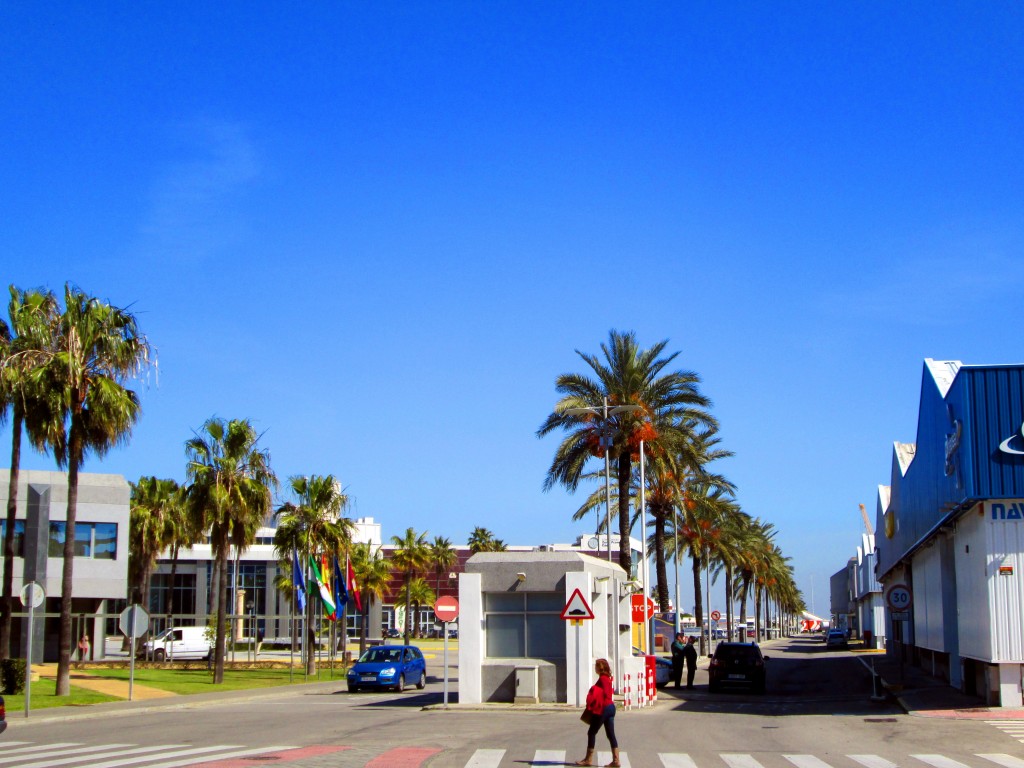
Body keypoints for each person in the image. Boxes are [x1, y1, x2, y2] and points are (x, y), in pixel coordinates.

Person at [575, 657, 620, 767]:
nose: (594, 668)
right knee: (610, 734)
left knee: (591, 732)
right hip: (611, 707)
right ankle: (616, 760)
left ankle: (588, 759)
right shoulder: (607, 678)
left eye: (595, 666)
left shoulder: (603, 679)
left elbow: (603, 693)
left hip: (604, 708)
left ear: (599, 668)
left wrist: (594, 694)